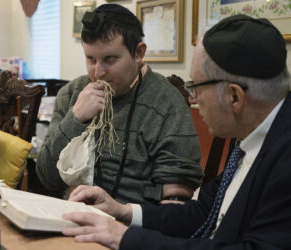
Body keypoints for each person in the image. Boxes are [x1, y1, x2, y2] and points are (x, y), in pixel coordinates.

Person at [61, 14, 291, 249]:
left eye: (196, 87)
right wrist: (122, 210)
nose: (193, 99)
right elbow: (203, 213)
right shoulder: (251, 135)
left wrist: (126, 238)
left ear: (234, 97)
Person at [36, 4, 203, 204]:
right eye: (91, 59)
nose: (98, 73)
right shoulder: (71, 94)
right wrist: (76, 118)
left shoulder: (166, 102)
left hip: (132, 226)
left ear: (139, 52)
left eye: (110, 59)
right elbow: (47, 179)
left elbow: (174, 202)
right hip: (72, 217)